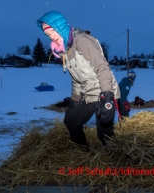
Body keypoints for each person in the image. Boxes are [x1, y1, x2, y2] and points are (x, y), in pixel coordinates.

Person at [36, 11, 120, 149]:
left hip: (102, 88)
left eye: (52, 32)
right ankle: (83, 157)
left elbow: (103, 67)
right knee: (72, 124)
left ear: (60, 27)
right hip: (88, 92)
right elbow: (76, 80)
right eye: (48, 35)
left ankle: (114, 162)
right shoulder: (66, 51)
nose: (51, 37)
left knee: (104, 134)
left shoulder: (81, 40)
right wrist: (74, 103)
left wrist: (107, 97)